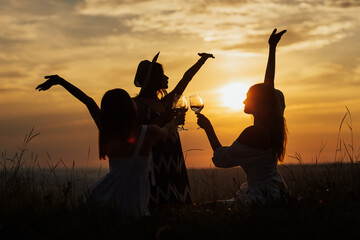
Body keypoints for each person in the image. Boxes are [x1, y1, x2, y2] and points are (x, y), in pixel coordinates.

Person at [36, 82, 183, 220]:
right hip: (132, 203)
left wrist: (61, 81)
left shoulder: (107, 130)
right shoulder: (148, 132)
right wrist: (175, 121)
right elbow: (167, 131)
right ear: (129, 108)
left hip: (107, 193)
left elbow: (88, 101)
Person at [196, 29, 288, 207]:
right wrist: (271, 49)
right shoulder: (273, 123)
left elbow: (222, 159)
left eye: (248, 97)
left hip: (261, 197)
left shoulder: (253, 133)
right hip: (277, 189)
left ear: (259, 103)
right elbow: (268, 87)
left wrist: (208, 128)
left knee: (203, 208)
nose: (244, 100)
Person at [133, 52, 214, 205]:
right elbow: (138, 134)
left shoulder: (165, 102)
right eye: (162, 75)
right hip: (155, 158)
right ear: (154, 79)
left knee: (177, 196)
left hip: (173, 155)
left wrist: (201, 61)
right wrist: (164, 119)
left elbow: (186, 79)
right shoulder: (137, 104)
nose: (167, 77)